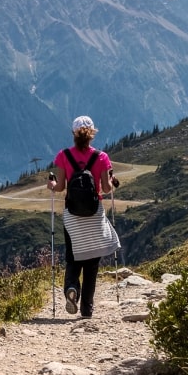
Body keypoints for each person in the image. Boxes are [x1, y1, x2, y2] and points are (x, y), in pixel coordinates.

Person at [47, 115, 119, 317]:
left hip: (72, 215)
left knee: (73, 258)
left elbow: (60, 187)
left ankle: (72, 289)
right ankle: (87, 309)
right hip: (94, 215)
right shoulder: (101, 157)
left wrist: (51, 184)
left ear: (73, 133)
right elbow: (105, 188)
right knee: (92, 262)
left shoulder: (63, 156)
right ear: (92, 133)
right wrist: (111, 180)